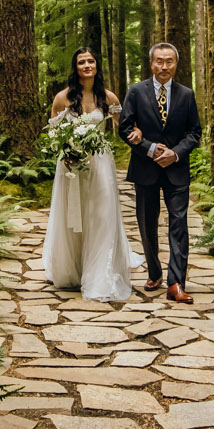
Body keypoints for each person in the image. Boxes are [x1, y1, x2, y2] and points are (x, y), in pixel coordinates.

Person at [43, 47, 139, 302]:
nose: (87, 65)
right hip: (71, 166)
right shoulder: (62, 98)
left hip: (100, 164)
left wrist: (140, 135)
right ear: (75, 68)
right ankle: (72, 269)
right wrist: (65, 153)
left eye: (91, 61)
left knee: (101, 213)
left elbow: (125, 126)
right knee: (73, 216)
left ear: (97, 65)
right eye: (81, 62)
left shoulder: (108, 97)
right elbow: (53, 134)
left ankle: (100, 272)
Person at [118, 42, 202, 303]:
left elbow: (194, 133)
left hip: (177, 170)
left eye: (169, 61)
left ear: (176, 64)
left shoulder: (187, 95)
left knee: (179, 225)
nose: (164, 66)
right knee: (147, 223)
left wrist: (174, 153)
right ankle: (154, 271)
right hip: (145, 169)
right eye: (159, 61)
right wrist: (150, 148)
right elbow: (124, 128)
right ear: (151, 63)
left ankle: (176, 283)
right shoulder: (136, 92)